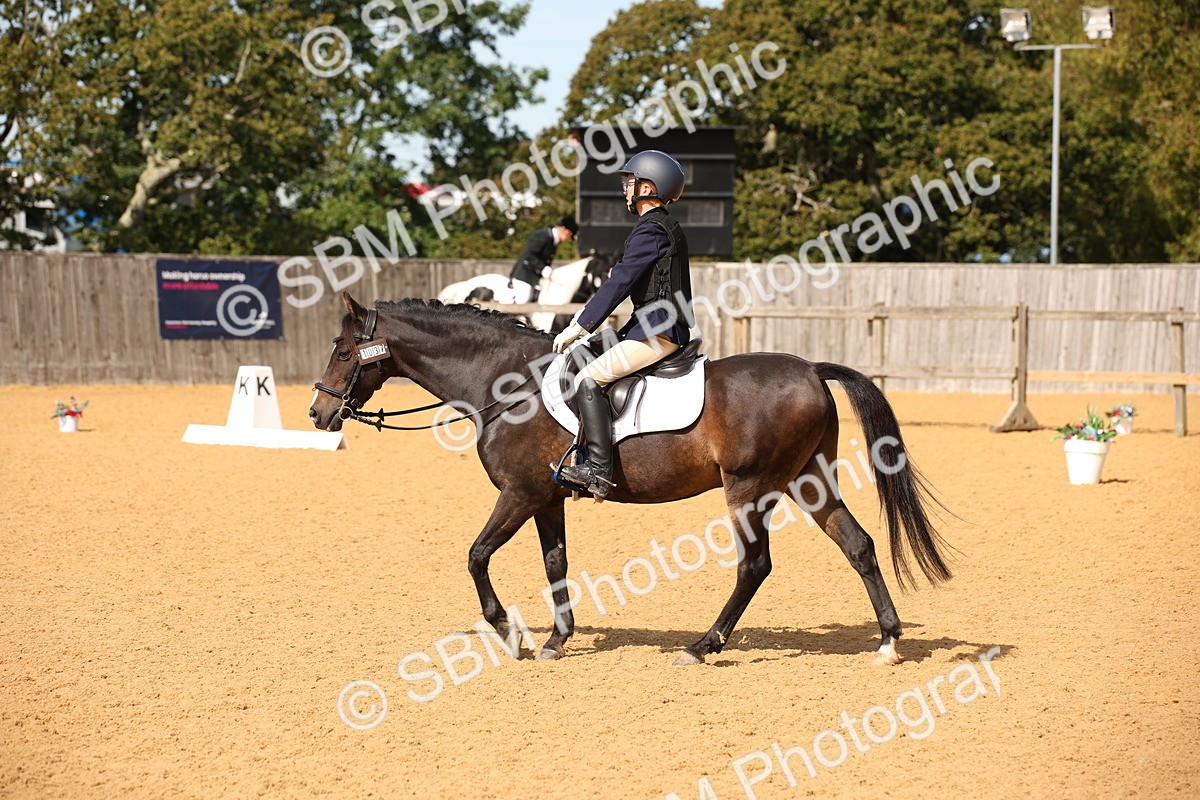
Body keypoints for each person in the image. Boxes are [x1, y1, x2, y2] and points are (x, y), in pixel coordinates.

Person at [551, 150, 694, 499]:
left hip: (659, 333)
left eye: (630, 182)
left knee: (589, 379)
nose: (625, 189)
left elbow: (620, 281)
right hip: (646, 326)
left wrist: (580, 325)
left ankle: (597, 470)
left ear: (649, 186)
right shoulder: (658, 226)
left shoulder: (652, 229)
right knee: (589, 356)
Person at [509, 214, 579, 302]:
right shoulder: (542, 235)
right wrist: (543, 268)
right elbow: (529, 255)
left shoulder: (553, 241)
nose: (568, 240)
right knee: (524, 298)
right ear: (565, 230)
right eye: (569, 236)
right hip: (524, 276)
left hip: (535, 279)